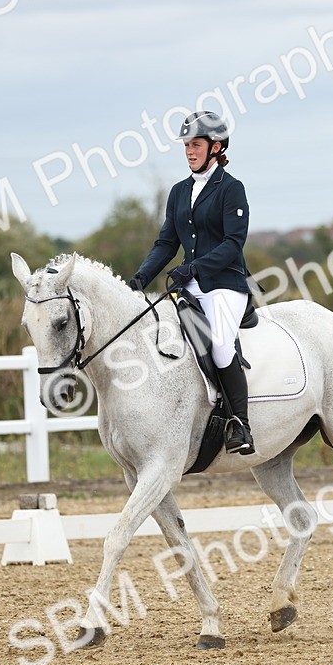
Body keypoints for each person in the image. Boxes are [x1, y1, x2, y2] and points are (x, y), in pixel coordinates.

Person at [130, 110, 255, 456]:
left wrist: (195, 267)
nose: (189, 151)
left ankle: (240, 423)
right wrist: (141, 277)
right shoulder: (179, 191)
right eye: (186, 145)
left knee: (221, 345)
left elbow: (233, 243)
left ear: (216, 147)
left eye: (196, 145)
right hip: (190, 284)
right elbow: (166, 243)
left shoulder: (231, 189)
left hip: (226, 285)